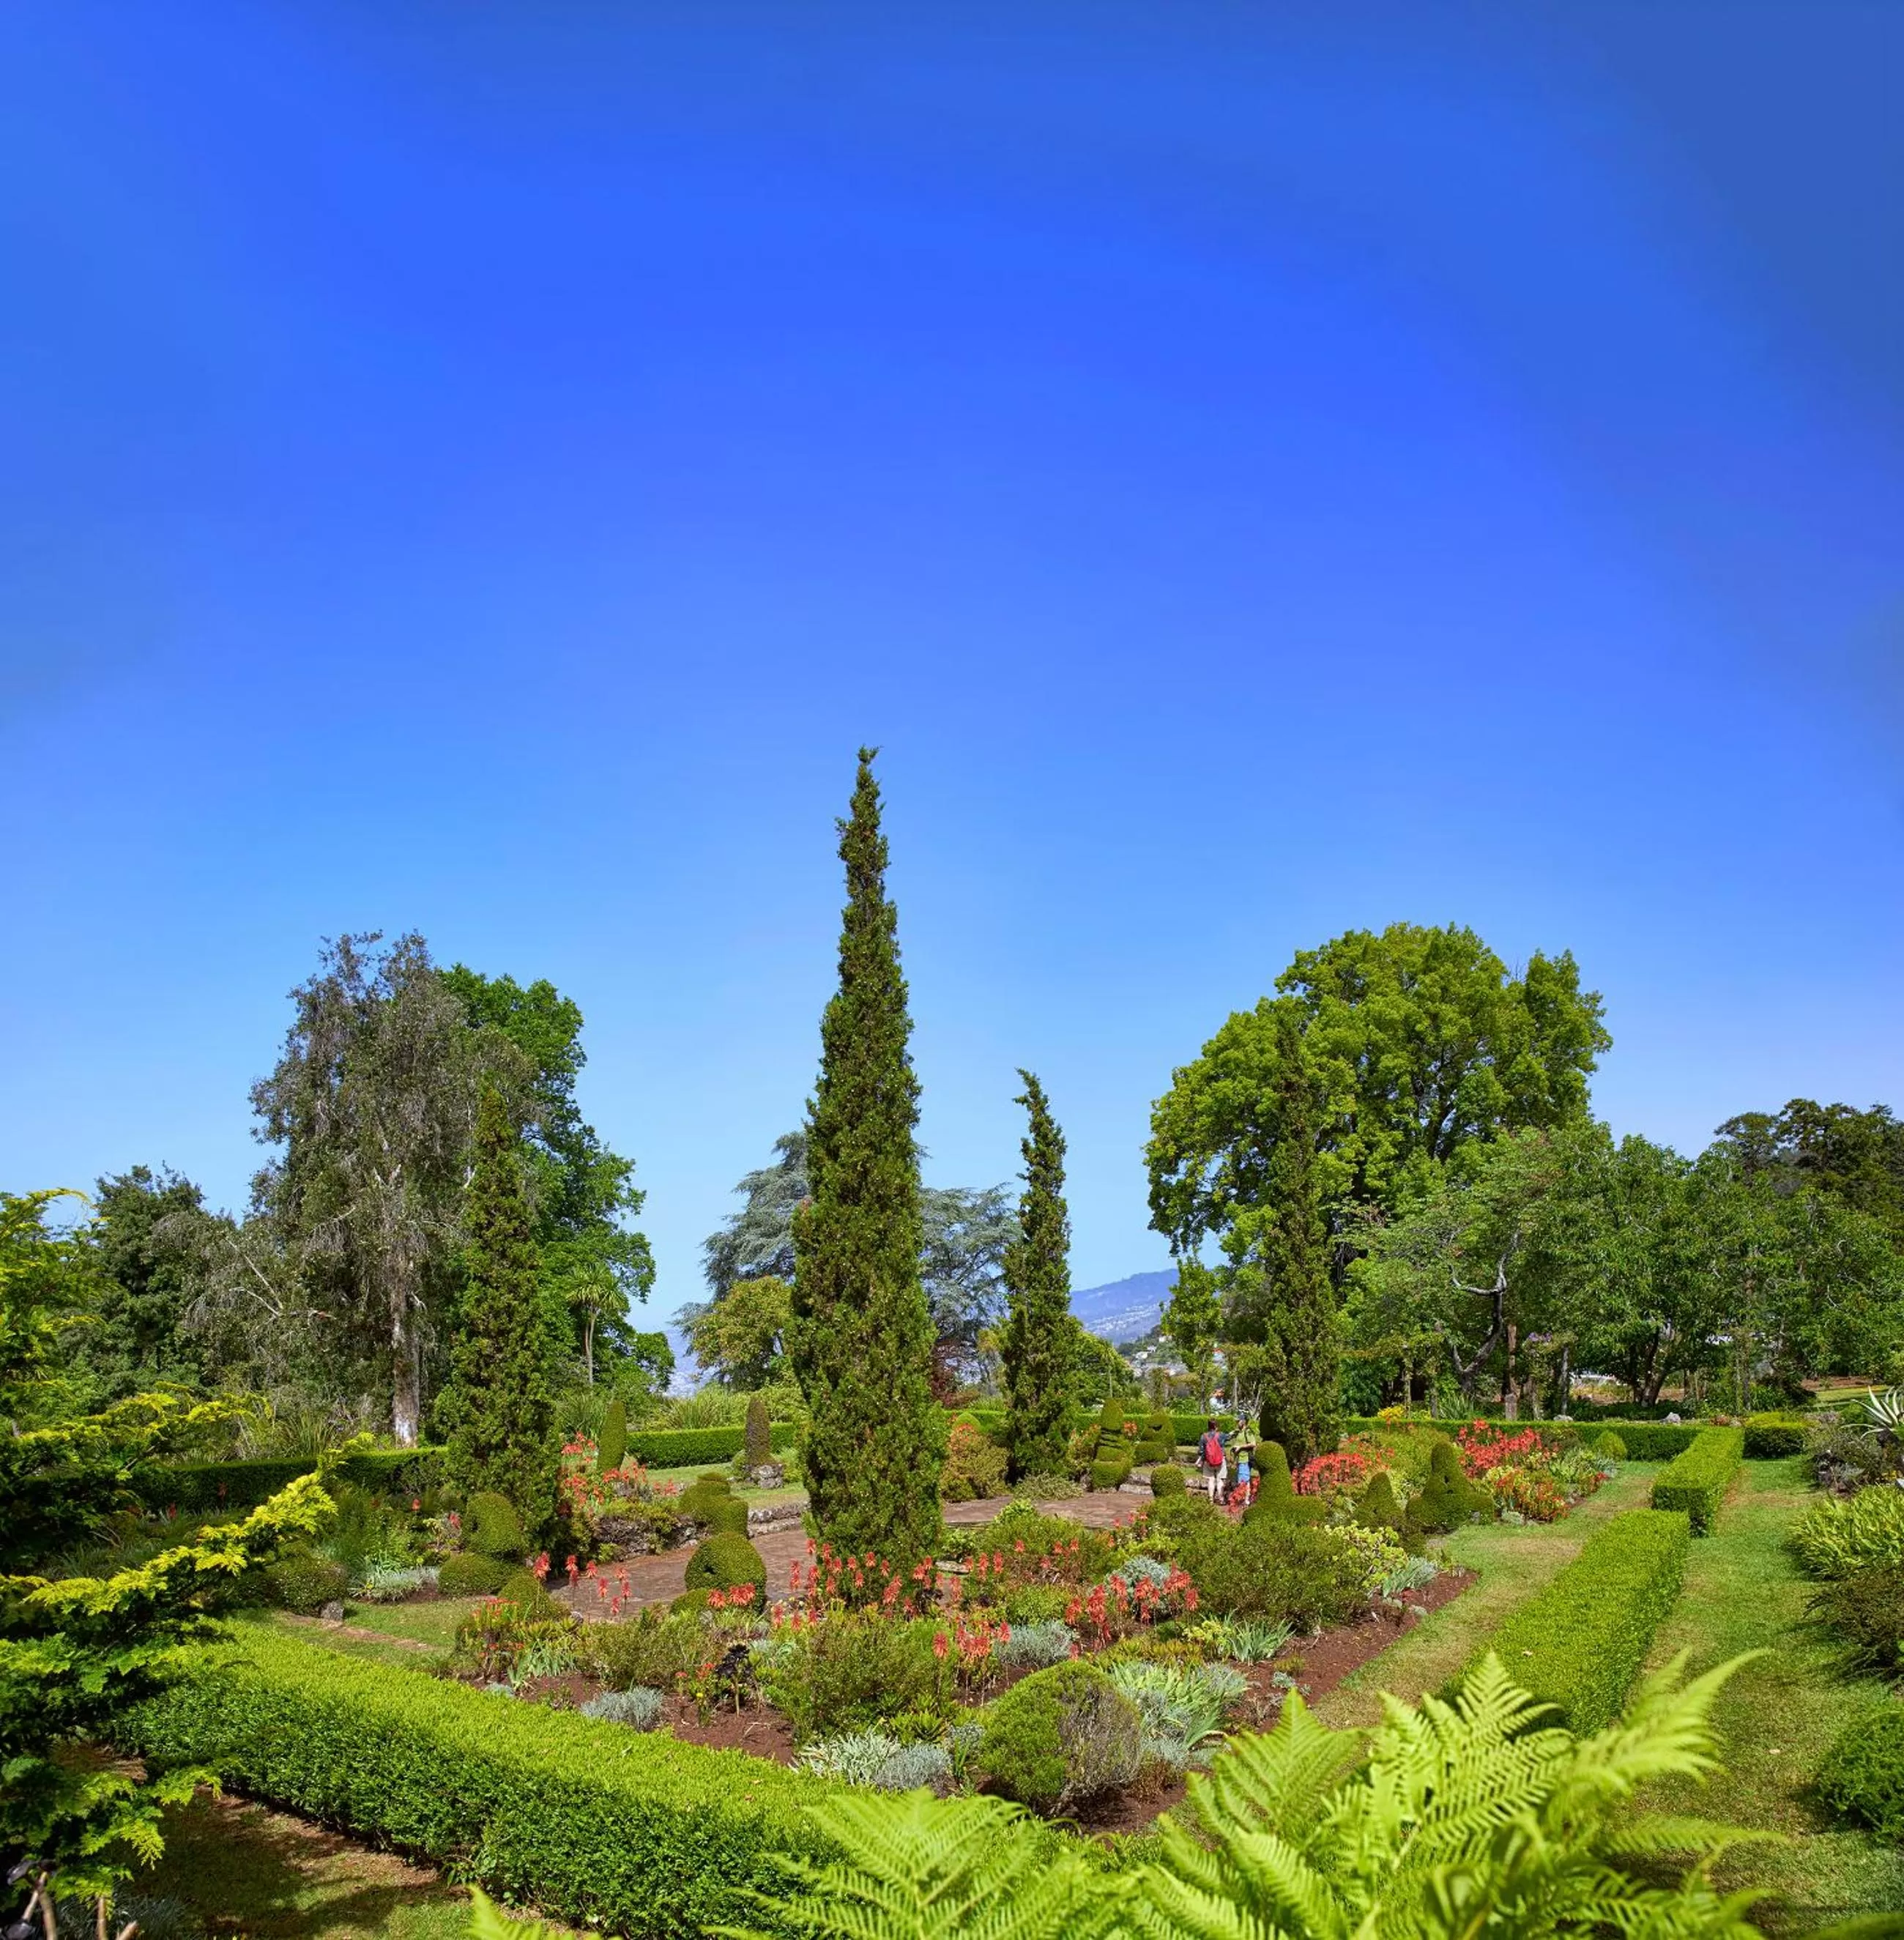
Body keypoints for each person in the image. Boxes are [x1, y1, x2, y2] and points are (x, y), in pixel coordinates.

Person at [1198, 1417, 1228, 1504]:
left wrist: (1202, 1461)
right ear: (1216, 1426)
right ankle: (1221, 1499)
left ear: (1208, 1426)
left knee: (1211, 1480)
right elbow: (1229, 1437)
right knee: (1220, 1480)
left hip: (1209, 1462)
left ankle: (1211, 1500)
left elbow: (1201, 1451)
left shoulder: (1203, 1436)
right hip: (1220, 1460)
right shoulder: (1221, 1435)